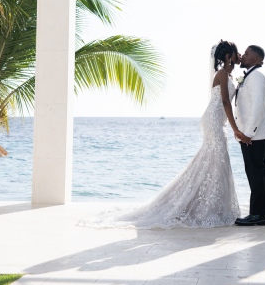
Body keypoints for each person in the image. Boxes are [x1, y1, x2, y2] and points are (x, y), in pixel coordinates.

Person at [79, 40, 250, 229]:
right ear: (228, 55)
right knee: (217, 158)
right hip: (215, 120)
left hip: (218, 121)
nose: (239, 54)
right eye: (236, 52)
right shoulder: (222, 74)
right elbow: (225, 102)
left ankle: (212, 206)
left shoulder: (230, 75)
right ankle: (203, 208)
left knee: (215, 160)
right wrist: (235, 129)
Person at [234, 45, 265, 227]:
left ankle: (257, 214)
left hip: (254, 133)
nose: (242, 56)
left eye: (246, 53)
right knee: (263, 171)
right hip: (259, 132)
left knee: (255, 172)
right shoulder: (252, 76)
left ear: (255, 59)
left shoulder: (257, 77)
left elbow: (258, 106)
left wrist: (247, 133)